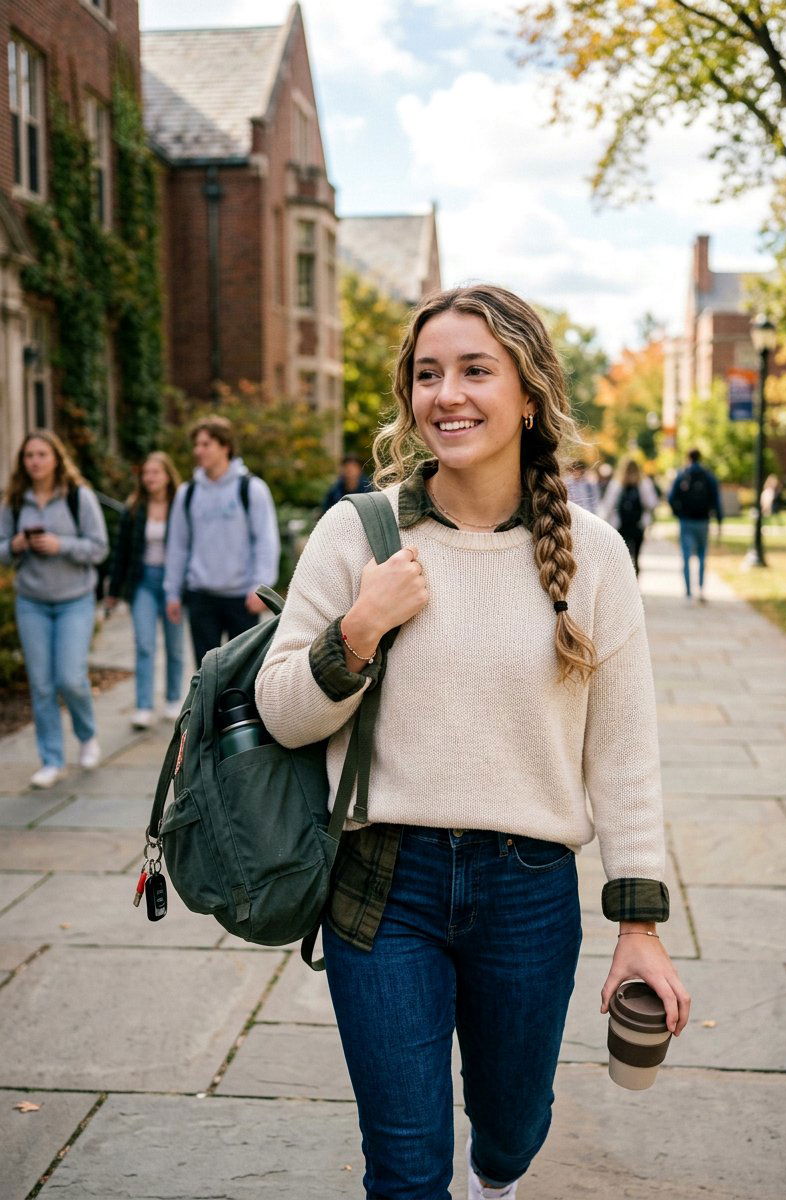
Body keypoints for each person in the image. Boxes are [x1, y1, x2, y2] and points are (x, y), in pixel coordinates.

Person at [256, 284, 689, 1200]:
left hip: (528, 894)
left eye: (474, 370)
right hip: (382, 891)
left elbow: (624, 755)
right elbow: (284, 711)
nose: (445, 393)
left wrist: (640, 925)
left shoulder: (596, 555)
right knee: (407, 1167)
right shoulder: (358, 532)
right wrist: (359, 631)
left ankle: (499, 1180)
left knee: (511, 1129)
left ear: (528, 394)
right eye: (427, 374)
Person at [0, 430, 108, 788]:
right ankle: (51, 760)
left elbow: (98, 548)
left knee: (70, 678)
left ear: (56, 458)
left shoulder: (79, 497)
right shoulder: (15, 501)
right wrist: (15, 545)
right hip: (31, 601)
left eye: (42, 454)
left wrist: (60, 545)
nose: (35, 461)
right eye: (29, 455)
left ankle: (87, 735)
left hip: (74, 599)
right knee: (42, 684)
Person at [164, 416, 280, 667]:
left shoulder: (251, 489)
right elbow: (178, 545)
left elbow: (266, 541)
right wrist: (172, 591)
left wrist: (261, 587)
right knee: (206, 674)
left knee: (240, 675)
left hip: (241, 598)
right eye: (197, 445)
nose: (198, 451)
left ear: (225, 446)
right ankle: (207, 710)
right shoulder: (188, 493)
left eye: (206, 444)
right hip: (201, 596)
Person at [107, 452, 184, 729]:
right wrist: (113, 590)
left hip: (174, 582)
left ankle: (174, 699)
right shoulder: (134, 508)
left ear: (167, 475)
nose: (150, 478)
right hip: (143, 582)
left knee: (175, 646)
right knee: (144, 644)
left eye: (156, 472)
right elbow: (121, 553)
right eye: (146, 473)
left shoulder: (181, 505)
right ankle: (143, 706)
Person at [668, 448, 723, 602]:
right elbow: (716, 500)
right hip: (703, 520)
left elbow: (671, 497)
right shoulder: (708, 476)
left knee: (686, 556)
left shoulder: (682, 475)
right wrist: (719, 520)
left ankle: (688, 591)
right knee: (701, 555)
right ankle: (700, 588)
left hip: (686, 520)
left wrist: (678, 513)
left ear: (688, 457)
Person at [599, 459, 659, 575]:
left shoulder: (617, 484)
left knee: (623, 557)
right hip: (638, 525)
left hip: (621, 526)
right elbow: (652, 503)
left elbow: (607, 505)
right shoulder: (644, 484)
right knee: (636, 557)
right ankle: (635, 584)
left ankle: (624, 583)